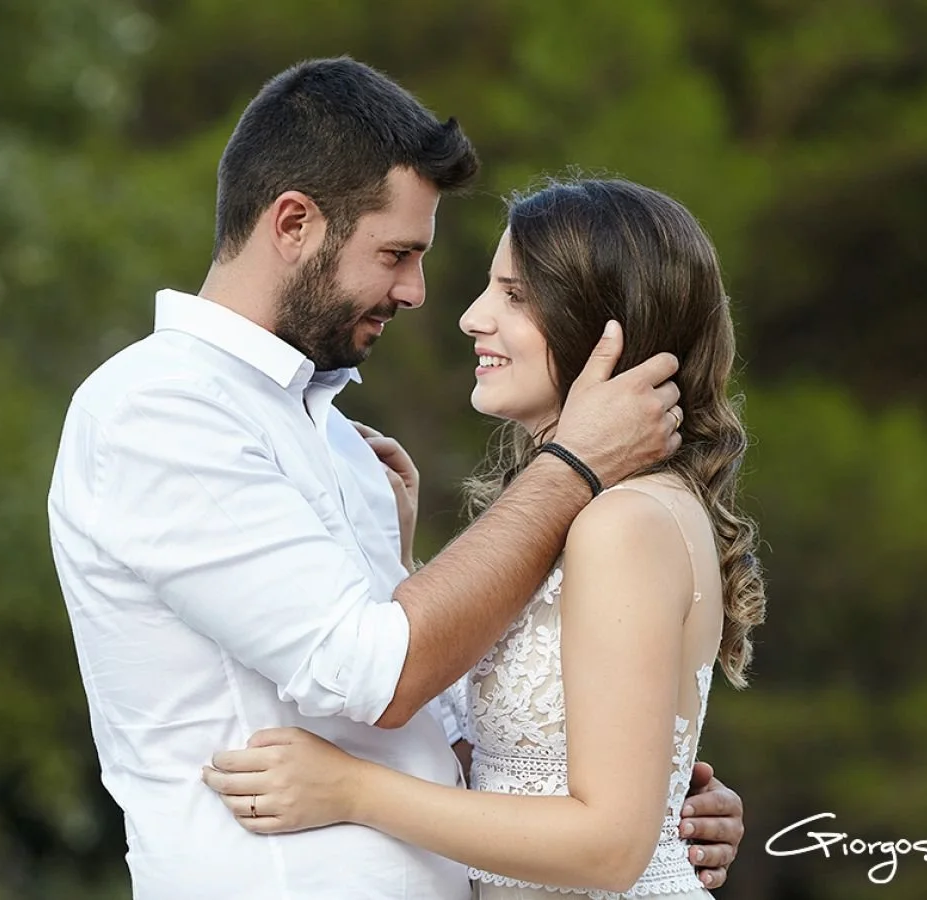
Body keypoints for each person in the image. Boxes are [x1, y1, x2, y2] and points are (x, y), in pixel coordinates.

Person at [47, 57, 742, 900]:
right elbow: (370, 673)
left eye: (510, 293)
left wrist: (650, 801)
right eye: (396, 253)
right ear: (294, 223)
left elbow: (439, 734)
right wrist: (572, 467)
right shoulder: (157, 410)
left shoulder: (340, 439)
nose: (421, 294)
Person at [199, 178, 767, 899]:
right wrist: (396, 564)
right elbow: (517, 763)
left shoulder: (624, 523)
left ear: (604, 325)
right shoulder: (595, 515)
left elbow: (610, 846)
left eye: (514, 296)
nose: (472, 317)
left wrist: (350, 790)